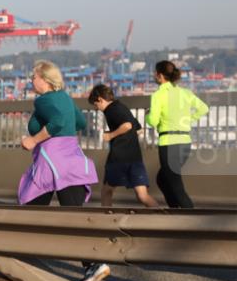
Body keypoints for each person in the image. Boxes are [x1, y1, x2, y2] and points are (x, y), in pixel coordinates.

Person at [18, 61, 107, 281]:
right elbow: (79, 121)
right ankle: (94, 264)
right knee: (73, 215)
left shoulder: (43, 100)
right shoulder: (65, 98)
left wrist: (33, 140)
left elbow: (57, 122)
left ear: (45, 80)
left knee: (29, 209)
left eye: (34, 77)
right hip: (72, 158)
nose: (31, 81)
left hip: (52, 162)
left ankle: (16, 261)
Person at [147, 60, 209, 209]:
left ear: (160, 75)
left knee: (175, 184)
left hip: (169, 143)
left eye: (155, 73)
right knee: (162, 179)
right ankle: (175, 211)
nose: (154, 75)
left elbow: (153, 121)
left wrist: (147, 115)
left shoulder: (158, 95)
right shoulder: (185, 93)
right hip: (185, 142)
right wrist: (188, 120)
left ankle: (190, 215)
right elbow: (204, 108)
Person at [88, 85, 158, 208]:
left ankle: (107, 217)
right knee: (142, 196)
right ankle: (161, 215)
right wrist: (125, 137)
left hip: (118, 157)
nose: (96, 108)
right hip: (135, 157)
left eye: (95, 104)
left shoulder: (111, 110)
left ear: (100, 99)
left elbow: (127, 126)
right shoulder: (122, 107)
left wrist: (111, 135)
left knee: (106, 191)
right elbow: (138, 129)